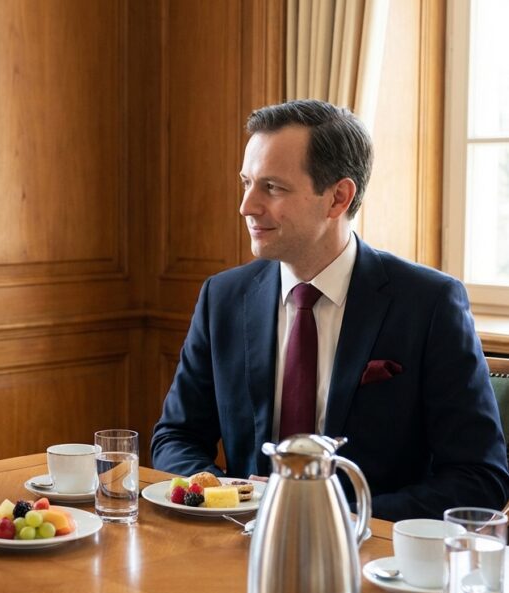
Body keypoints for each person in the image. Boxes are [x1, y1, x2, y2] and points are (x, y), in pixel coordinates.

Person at [151, 99, 509, 521]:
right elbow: (176, 438)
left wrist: (335, 514)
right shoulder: (223, 297)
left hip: (370, 557)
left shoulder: (429, 304)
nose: (246, 206)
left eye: (272, 187)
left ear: (338, 197)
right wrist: (232, 498)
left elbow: (479, 478)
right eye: (246, 182)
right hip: (236, 545)